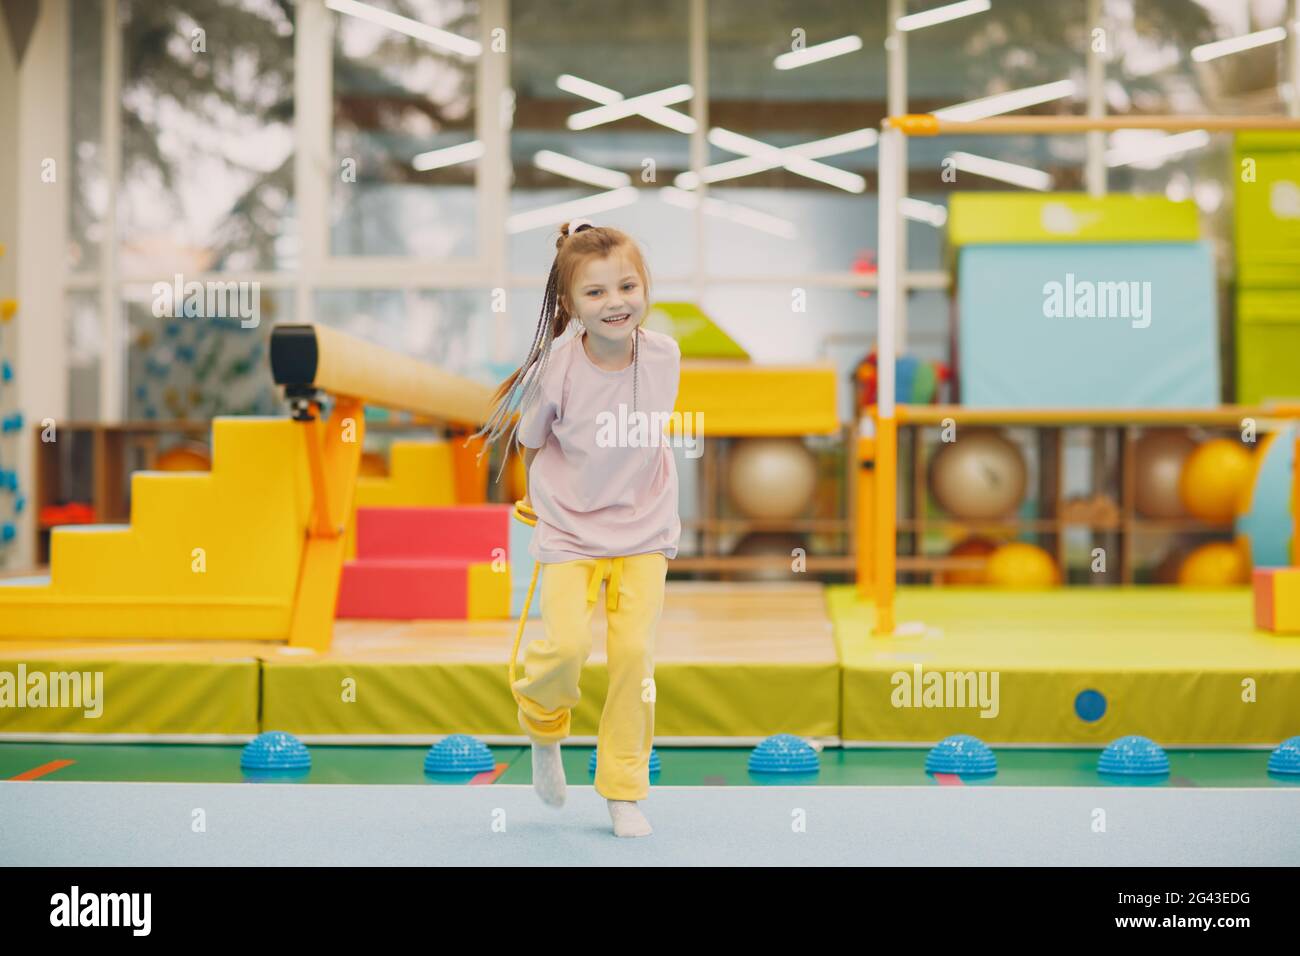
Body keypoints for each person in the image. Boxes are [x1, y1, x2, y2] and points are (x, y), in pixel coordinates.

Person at [467, 218, 681, 837]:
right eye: (595, 293)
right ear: (569, 305)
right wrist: (544, 505)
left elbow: (648, 441)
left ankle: (622, 789)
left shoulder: (665, 356)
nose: (615, 303)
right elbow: (534, 445)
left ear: (645, 288)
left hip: (643, 529)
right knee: (564, 647)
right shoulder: (557, 366)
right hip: (569, 532)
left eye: (627, 287)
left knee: (634, 657)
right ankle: (542, 731)